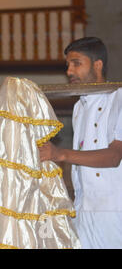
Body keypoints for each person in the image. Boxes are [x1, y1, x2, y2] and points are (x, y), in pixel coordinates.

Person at [39, 37, 122, 249]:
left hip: (113, 212)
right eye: (68, 65)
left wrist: (61, 154)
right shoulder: (79, 108)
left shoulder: (118, 99)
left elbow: (114, 157)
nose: (69, 71)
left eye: (76, 63)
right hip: (83, 209)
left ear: (98, 65)